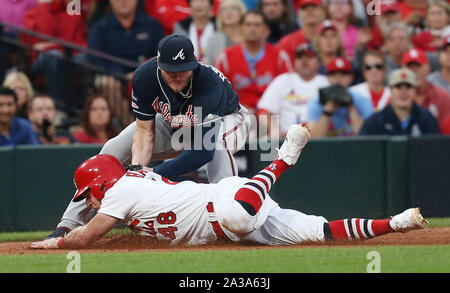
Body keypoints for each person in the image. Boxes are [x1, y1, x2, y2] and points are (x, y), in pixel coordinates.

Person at [30, 124, 428, 249]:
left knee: (238, 217)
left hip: (226, 202)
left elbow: (84, 238)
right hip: (236, 221)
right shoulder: (132, 185)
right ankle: (396, 223)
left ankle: (285, 157)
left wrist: (55, 241)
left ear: (102, 183)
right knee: (320, 233)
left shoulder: (119, 192)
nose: (92, 201)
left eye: (90, 193)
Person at [42, 34, 251, 240]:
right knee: (112, 149)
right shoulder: (144, 77)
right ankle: (67, 225)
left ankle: (233, 215)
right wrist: (138, 172)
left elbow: (202, 152)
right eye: (171, 70)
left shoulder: (209, 84)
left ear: (194, 63)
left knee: (217, 148)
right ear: (159, 64)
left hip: (228, 120)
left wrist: (156, 172)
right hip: (175, 124)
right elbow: (144, 131)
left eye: (183, 70)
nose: (177, 76)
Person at [214, 10, 293, 112]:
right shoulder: (224, 58)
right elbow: (218, 93)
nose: (252, 28)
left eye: (257, 25)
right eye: (248, 24)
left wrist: (266, 109)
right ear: (241, 29)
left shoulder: (280, 56)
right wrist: (240, 109)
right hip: (236, 115)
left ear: (266, 30)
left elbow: (290, 89)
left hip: (273, 113)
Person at [257, 43, 329, 138]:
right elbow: (263, 111)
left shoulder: (326, 82)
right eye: (300, 57)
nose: (304, 61)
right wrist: (275, 129)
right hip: (286, 138)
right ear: (294, 62)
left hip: (317, 137)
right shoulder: (282, 80)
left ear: (319, 62)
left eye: (309, 57)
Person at [87, 0, 164, 75]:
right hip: (112, 82)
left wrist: (141, 75)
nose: (123, 1)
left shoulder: (153, 26)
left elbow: (162, 58)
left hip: (147, 80)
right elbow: (95, 60)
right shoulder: (100, 29)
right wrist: (114, 75)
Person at [359, 68, 440, 136]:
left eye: (408, 87)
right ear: (390, 91)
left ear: (415, 91)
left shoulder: (427, 119)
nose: (403, 92)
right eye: (398, 87)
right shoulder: (374, 123)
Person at [307, 57, 374, 137]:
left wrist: (351, 108)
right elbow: (315, 139)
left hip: (354, 147)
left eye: (343, 74)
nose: (338, 79)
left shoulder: (362, 100)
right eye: (334, 75)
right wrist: (327, 112)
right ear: (328, 78)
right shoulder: (317, 102)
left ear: (351, 77)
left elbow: (367, 138)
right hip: (327, 148)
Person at [401, 48, 450, 129]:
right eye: (410, 67)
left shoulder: (441, 96)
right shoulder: (396, 96)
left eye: (418, 66)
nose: (414, 71)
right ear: (402, 70)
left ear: (428, 68)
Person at [276, 0, 326, 65]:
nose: (309, 11)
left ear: (323, 11)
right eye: (304, 8)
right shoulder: (287, 42)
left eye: (314, 7)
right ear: (298, 12)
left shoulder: (332, 38)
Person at [203, 0, 247, 65]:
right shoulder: (214, 39)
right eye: (224, 9)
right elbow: (207, 66)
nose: (228, 12)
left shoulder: (250, 37)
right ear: (220, 16)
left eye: (233, 8)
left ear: (241, 13)